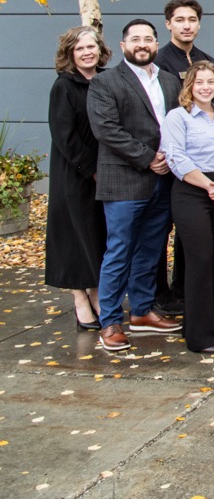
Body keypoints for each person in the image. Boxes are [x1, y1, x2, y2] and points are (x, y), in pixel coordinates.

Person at [86, 19, 183, 352]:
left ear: (156, 44)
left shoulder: (169, 81)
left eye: (149, 39)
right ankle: (110, 321)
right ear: (124, 44)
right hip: (126, 179)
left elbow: (177, 124)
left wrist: (169, 158)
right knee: (119, 250)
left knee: (151, 249)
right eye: (136, 39)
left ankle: (141, 312)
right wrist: (148, 157)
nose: (142, 44)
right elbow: (106, 129)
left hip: (164, 180)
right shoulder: (105, 81)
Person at [159, 61, 214, 354]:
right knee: (200, 259)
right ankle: (199, 336)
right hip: (192, 190)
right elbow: (176, 158)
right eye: (199, 82)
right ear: (189, 87)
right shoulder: (178, 117)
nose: (205, 87)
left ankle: (203, 323)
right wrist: (208, 185)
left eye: (210, 82)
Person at [153, 0, 214, 312]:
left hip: (204, 164)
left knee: (192, 234)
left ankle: (183, 288)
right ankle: (159, 293)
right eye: (180, 20)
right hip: (171, 160)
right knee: (160, 229)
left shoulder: (206, 60)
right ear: (168, 24)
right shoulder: (160, 61)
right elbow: (156, 111)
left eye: (192, 20)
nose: (186, 25)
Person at [45, 26, 110, 330]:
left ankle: (96, 292)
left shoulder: (107, 81)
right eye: (80, 48)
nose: (87, 52)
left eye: (92, 46)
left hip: (106, 173)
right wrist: (92, 168)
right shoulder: (64, 86)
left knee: (98, 235)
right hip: (75, 174)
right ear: (71, 53)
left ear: (100, 50)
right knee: (76, 237)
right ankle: (79, 299)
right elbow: (64, 136)